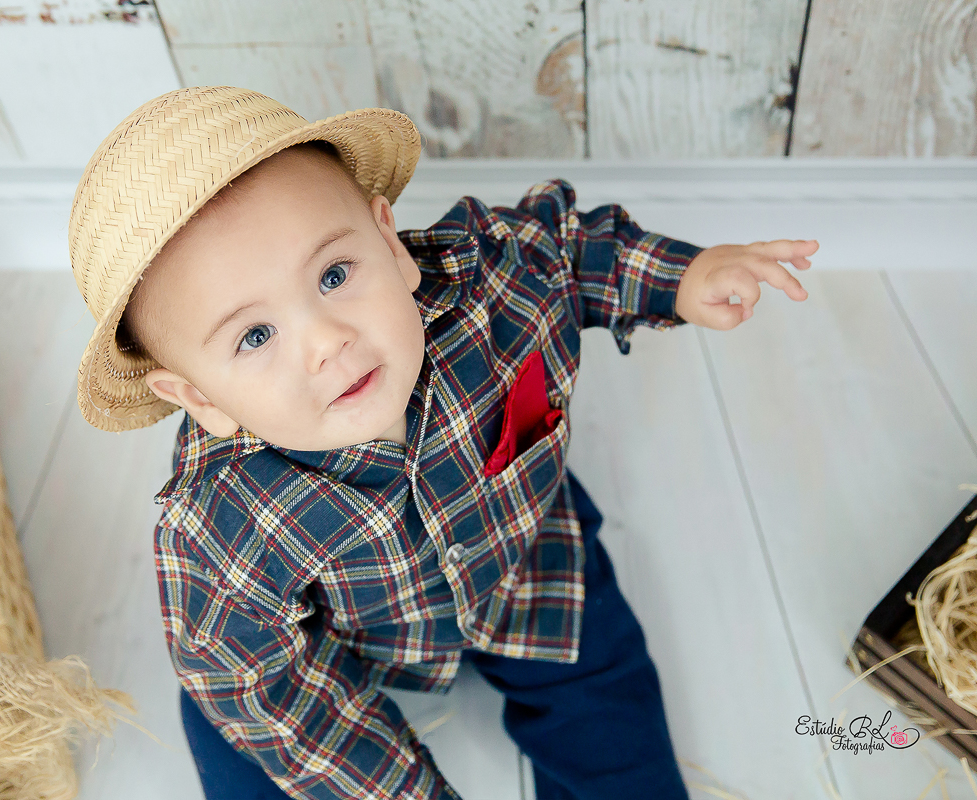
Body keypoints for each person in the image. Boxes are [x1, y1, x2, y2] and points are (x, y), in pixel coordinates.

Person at [67, 86, 818, 800]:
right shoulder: (220, 520)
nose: (328, 342)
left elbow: (567, 247)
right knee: (237, 726)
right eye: (255, 335)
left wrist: (682, 275)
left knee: (608, 709)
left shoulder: (489, 288)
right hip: (337, 642)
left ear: (390, 243)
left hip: (521, 559)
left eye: (334, 274)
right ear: (198, 398)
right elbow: (248, 678)